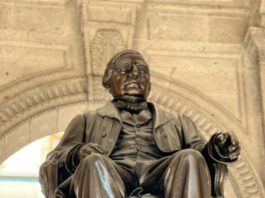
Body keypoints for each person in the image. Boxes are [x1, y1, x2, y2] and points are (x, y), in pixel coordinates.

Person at [39, 49, 240, 198]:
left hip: (162, 174)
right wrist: (76, 153)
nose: (135, 74)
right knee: (94, 162)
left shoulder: (178, 122)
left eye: (142, 71)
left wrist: (216, 149)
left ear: (149, 83)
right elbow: (54, 158)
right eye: (125, 69)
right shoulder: (86, 120)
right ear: (108, 82)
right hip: (113, 173)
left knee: (190, 156)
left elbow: (201, 157)